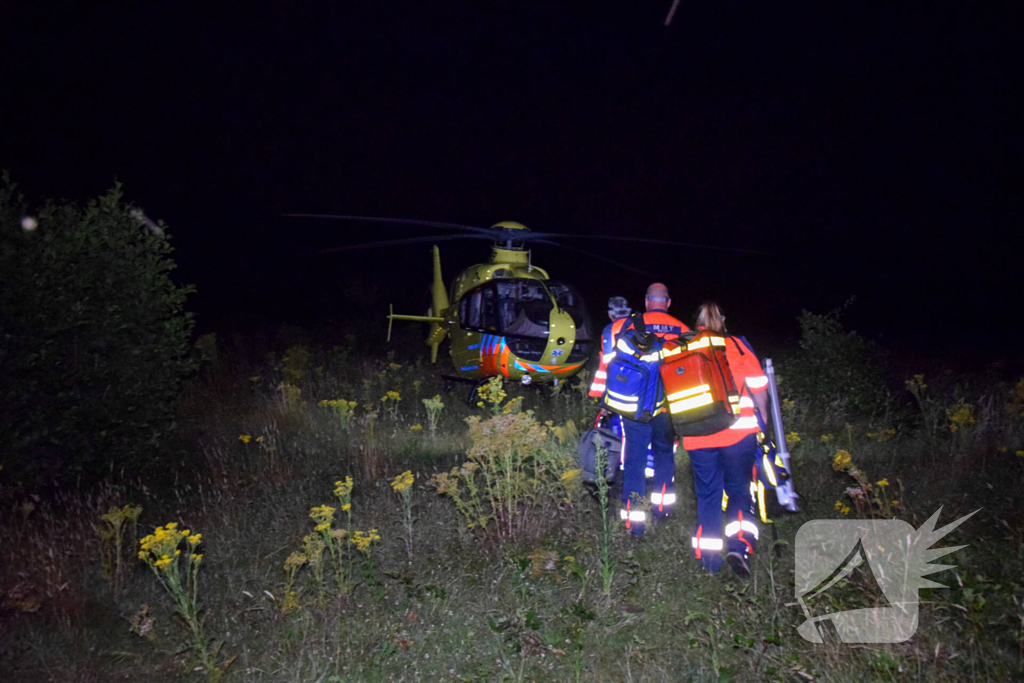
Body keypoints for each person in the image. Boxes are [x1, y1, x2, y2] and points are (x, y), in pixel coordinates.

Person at [682, 302, 769, 577]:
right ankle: (739, 547)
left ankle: (708, 559)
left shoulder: (683, 348)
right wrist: (763, 422)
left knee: (707, 495)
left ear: (697, 322)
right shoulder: (739, 347)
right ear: (723, 321)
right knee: (739, 491)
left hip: (697, 436)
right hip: (739, 434)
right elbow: (759, 391)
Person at [594, 283, 689, 536]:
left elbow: (609, 366)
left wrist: (605, 401)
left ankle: (633, 523)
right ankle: (662, 511)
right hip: (668, 407)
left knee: (634, 461)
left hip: (634, 406)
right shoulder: (683, 330)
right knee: (664, 456)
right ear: (668, 303)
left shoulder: (623, 326)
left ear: (647, 301)